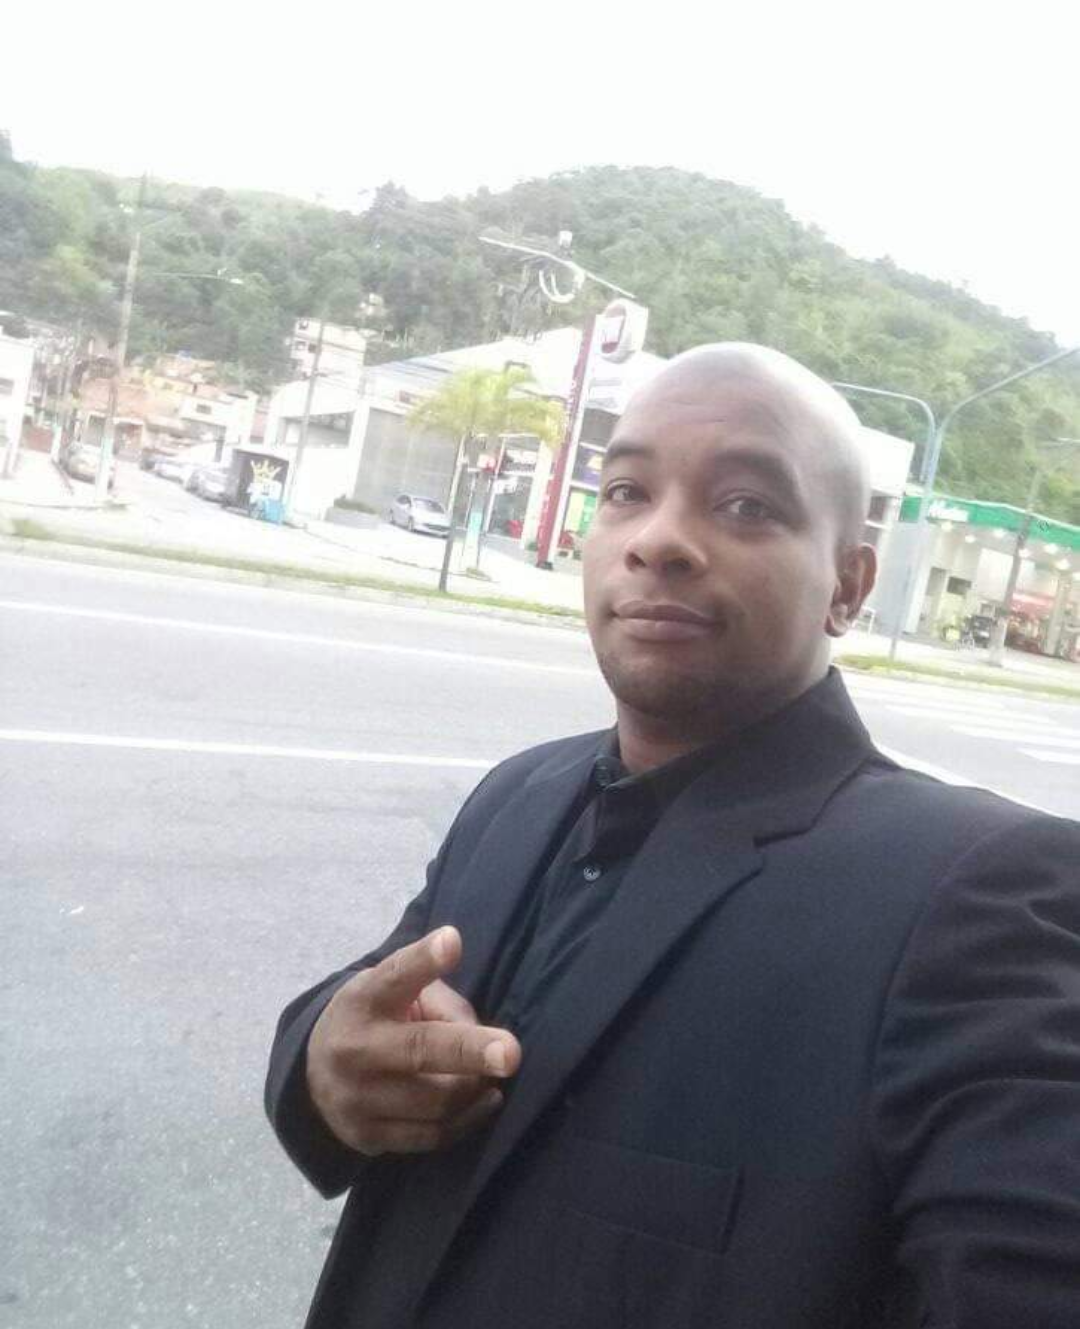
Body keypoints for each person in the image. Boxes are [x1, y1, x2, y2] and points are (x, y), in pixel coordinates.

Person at [266, 344, 1080, 1329]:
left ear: (849, 584)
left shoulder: (976, 893)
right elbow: (366, 1004)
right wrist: (326, 1064)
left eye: (747, 505)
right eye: (626, 492)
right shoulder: (516, 795)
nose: (659, 540)